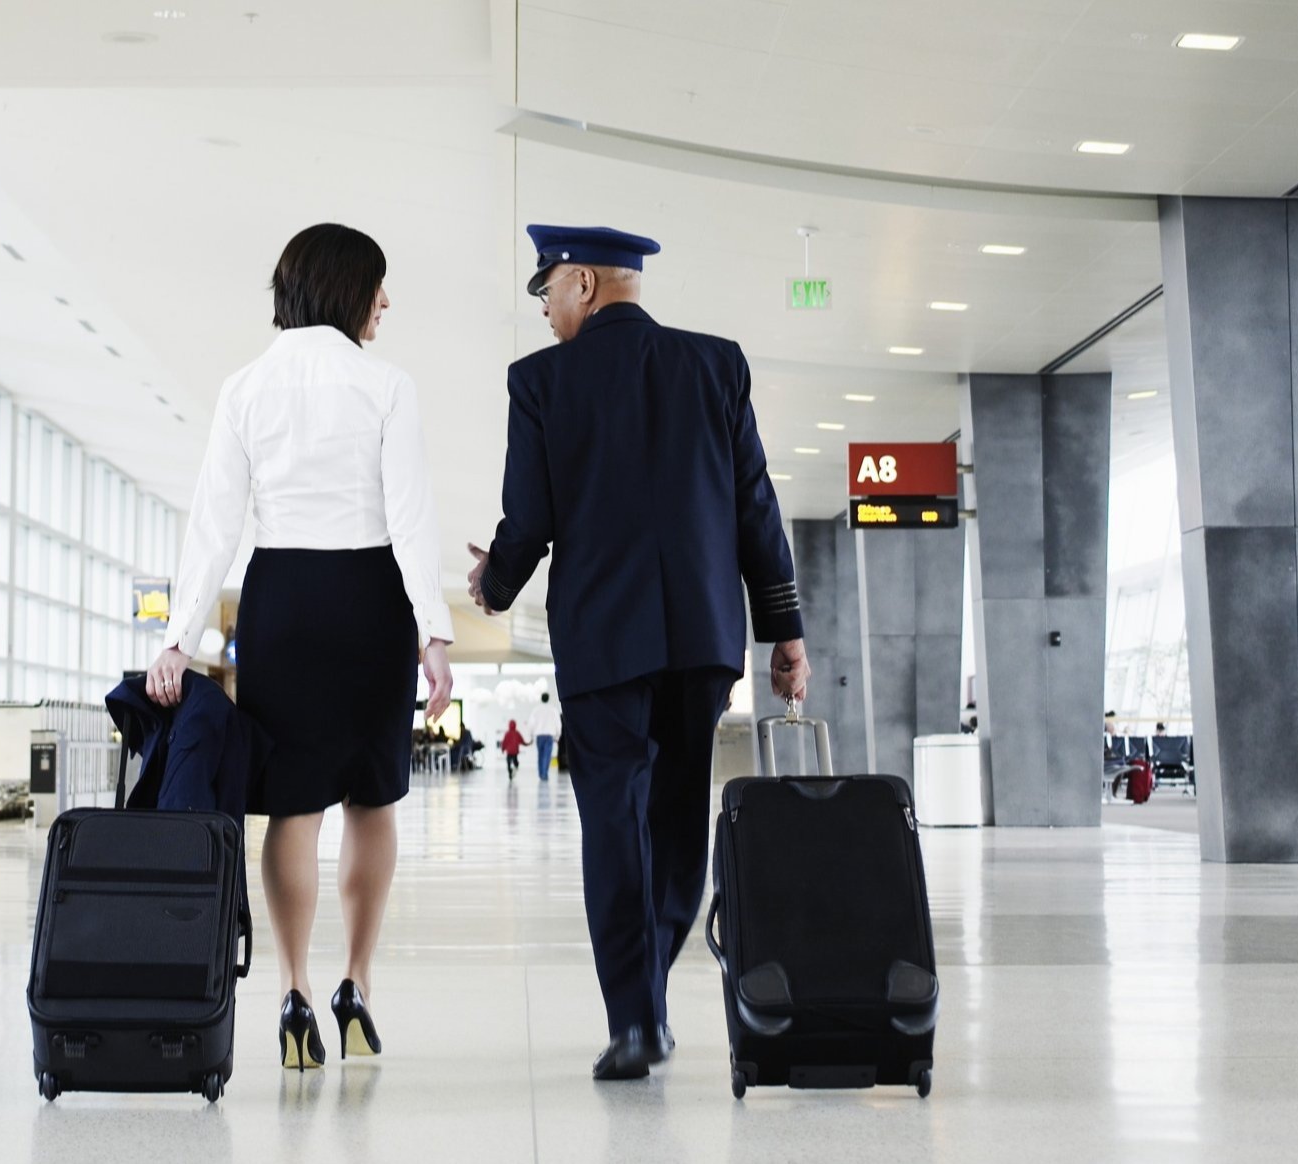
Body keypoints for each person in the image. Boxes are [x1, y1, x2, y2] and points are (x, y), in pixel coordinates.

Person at [469, 224, 809, 1081]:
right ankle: (648, 990)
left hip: (603, 639)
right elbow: (754, 504)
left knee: (614, 823)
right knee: (679, 818)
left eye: (548, 289)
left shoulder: (540, 381)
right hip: (702, 637)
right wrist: (785, 628)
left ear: (583, 283)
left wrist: (494, 585)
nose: (544, 309)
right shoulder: (717, 364)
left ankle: (635, 1018)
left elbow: (529, 520)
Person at [146, 222, 453, 1073]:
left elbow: (214, 523)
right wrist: (433, 629)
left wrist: (179, 640)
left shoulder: (245, 387)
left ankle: (293, 991)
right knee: (372, 799)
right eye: (378, 286)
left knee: (295, 805)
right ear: (348, 287)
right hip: (370, 598)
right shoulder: (386, 386)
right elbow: (410, 517)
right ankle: (357, 981)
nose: (385, 302)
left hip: (280, 600)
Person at [533, 691, 562, 779]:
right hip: (549, 735)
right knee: (547, 755)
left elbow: (532, 723)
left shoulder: (536, 710)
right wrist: (557, 736)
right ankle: (544, 774)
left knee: (540, 755)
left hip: (539, 735)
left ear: (541, 699)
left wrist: (531, 735)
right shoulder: (553, 710)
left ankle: (541, 773)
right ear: (548, 699)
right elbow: (558, 723)